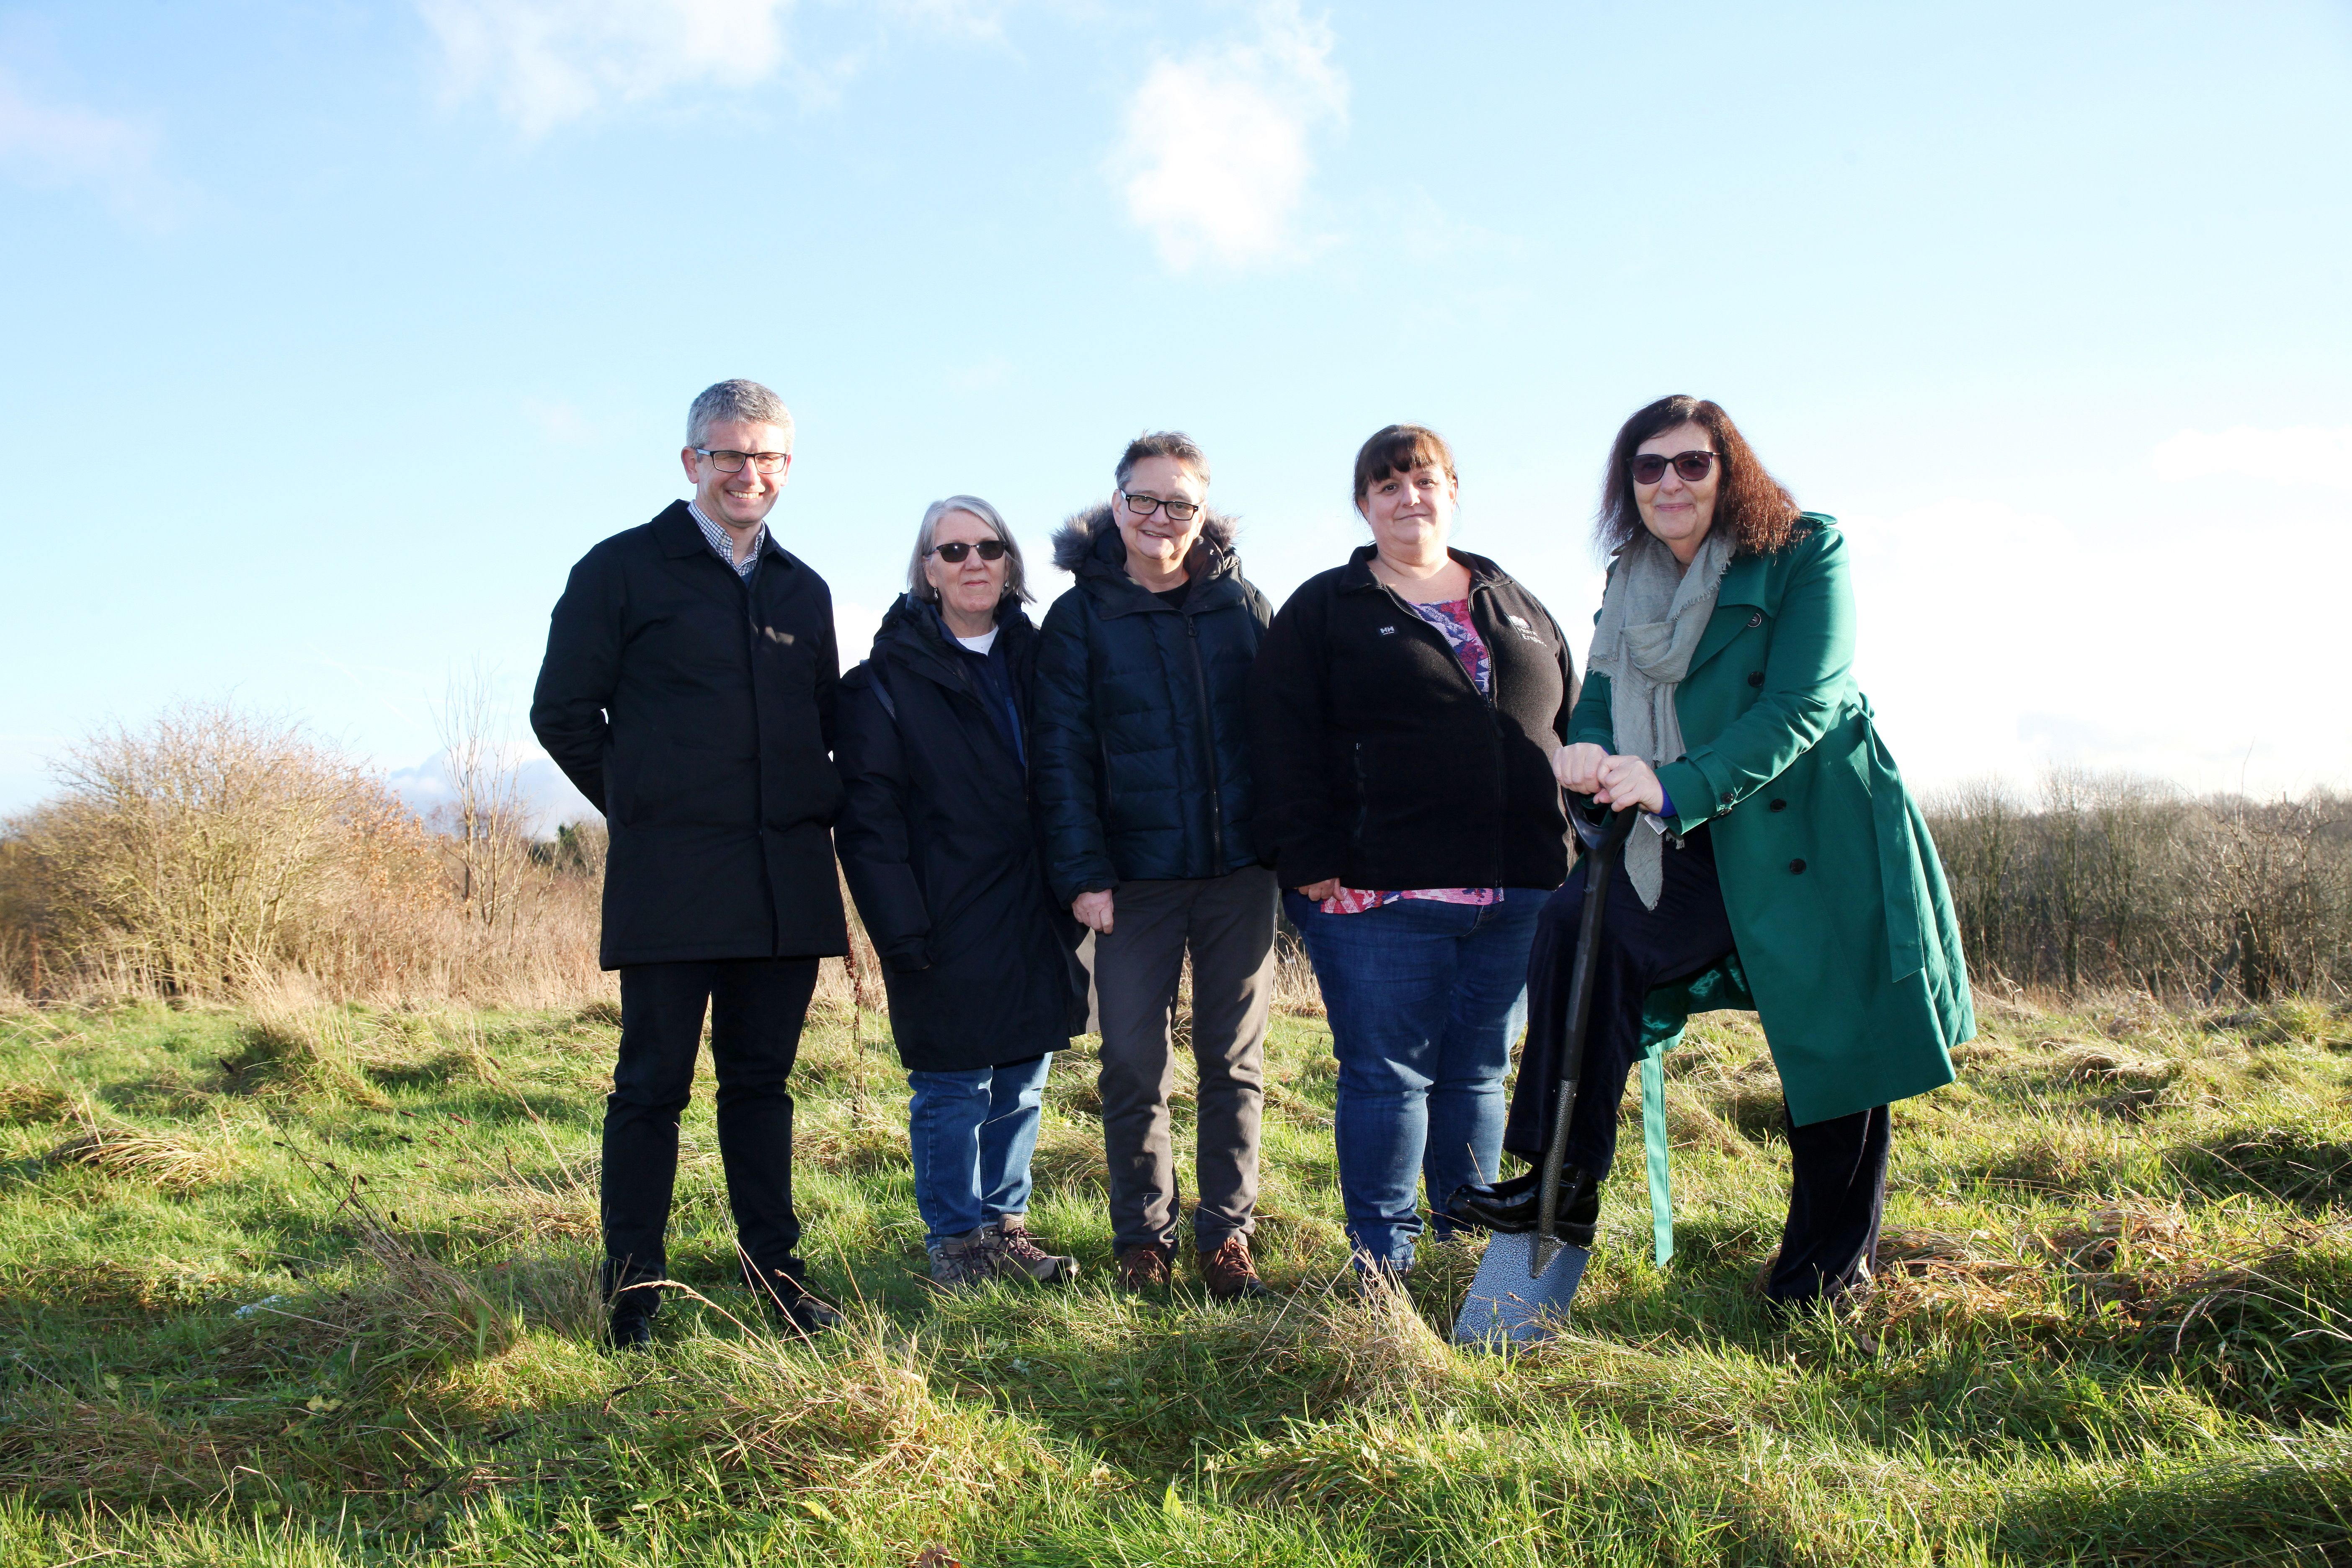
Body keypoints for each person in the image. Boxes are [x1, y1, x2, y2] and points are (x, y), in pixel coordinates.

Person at [1449, 395, 1973, 1314]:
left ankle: (1821, 1280)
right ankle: (1557, 1182)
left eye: (1692, 462)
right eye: (1648, 468)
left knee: (1832, 1048)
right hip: (1682, 835)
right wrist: (1590, 754)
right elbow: (1607, 693)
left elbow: (1804, 707)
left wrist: (1673, 785)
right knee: (1581, 925)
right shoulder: (1630, 577)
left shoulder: (1807, 552)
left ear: (1730, 470)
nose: (1670, 483)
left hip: (1811, 829)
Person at [530, 378, 849, 1346]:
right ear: (690, 462)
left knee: (763, 1088)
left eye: (769, 457)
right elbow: (562, 715)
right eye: (728, 455)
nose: (749, 473)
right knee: (651, 1089)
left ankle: (776, 1277)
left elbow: (825, 731)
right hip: (671, 886)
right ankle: (633, 1290)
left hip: (783, 892)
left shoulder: (805, 591)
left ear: (787, 467)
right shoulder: (621, 571)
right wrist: (647, 808)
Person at [1249, 424, 1577, 1281]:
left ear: (1453, 489)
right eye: (1387, 485)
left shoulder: (1515, 598)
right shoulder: (1327, 608)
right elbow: (1280, 741)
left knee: (1475, 1075)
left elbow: (1570, 722)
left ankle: (1460, 1250)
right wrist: (1311, 858)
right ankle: (1383, 1267)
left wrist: (1571, 846)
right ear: (1364, 505)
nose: (1408, 498)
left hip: (1517, 893)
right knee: (1388, 1078)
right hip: (1379, 895)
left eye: (1422, 480)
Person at [1032, 431, 1278, 1297]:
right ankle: (1144, 1237)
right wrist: (1082, 872)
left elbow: (1279, 733)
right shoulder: (1080, 616)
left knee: (1233, 1061)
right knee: (1134, 1061)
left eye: (1181, 503)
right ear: (1117, 504)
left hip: (1240, 874)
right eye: (1145, 500)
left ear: (1203, 512)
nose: (1161, 518)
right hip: (1130, 880)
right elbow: (1059, 757)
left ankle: (1226, 1236)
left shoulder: (1242, 605)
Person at [833, 496, 1090, 1290]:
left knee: (1022, 1075)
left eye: (988, 547)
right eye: (951, 551)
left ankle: (1003, 1227)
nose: (971, 562)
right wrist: (900, 932)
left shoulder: (1047, 660)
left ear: (1010, 562)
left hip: (1032, 908)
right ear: (926, 571)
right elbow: (868, 823)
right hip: (940, 911)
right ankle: (954, 1241)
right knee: (952, 1081)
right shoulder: (880, 684)